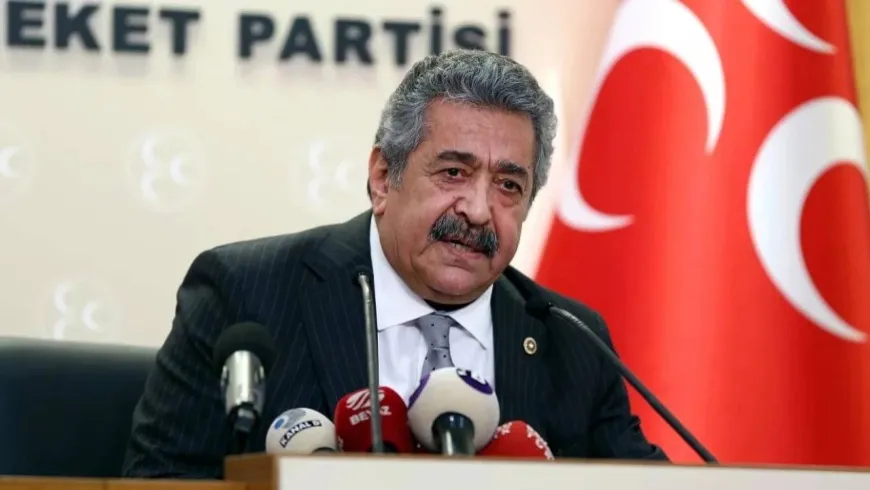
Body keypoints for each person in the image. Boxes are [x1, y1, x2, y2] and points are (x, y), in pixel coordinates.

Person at [122, 48, 666, 478]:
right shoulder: (245, 295)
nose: (479, 211)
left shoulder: (571, 340)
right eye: (453, 173)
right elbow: (163, 479)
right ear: (383, 178)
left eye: (507, 185)